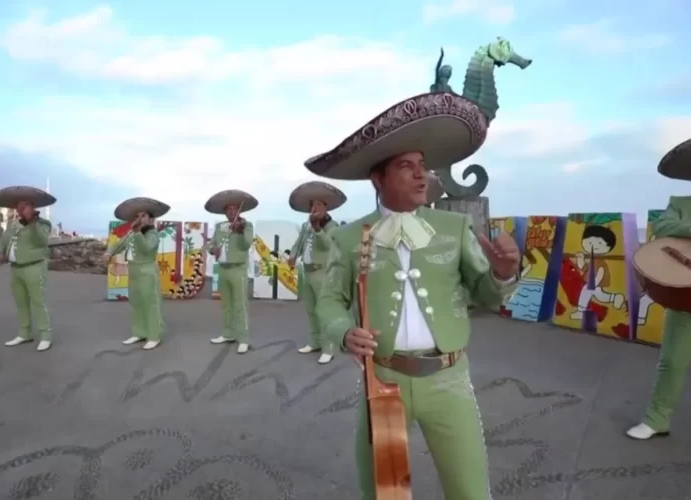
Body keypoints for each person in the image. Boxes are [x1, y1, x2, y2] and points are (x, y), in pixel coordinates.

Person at [308, 98, 521, 498]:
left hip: (449, 381)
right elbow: (331, 299)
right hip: (383, 380)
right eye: (407, 166)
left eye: (423, 165)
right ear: (378, 179)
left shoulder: (455, 228)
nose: (422, 175)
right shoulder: (350, 236)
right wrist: (342, 331)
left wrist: (503, 273)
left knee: (470, 491)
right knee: (385, 490)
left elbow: (487, 295)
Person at [627, 137, 691, 440]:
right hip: (686, 298)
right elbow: (663, 227)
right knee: (672, 361)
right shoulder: (680, 204)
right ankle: (657, 420)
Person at [287, 181, 346, 364]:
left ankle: (329, 347)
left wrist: (318, 229)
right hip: (306, 271)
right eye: (313, 204)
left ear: (326, 207)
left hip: (322, 272)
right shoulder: (306, 226)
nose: (315, 207)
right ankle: (315, 342)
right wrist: (292, 255)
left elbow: (330, 245)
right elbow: (300, 242)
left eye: (319, 204)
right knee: (310, 309)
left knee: (323, 311)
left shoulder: (331, 224)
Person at [0, 186, 56, 352]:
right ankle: (24, 333)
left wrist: (32, 222)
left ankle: (46, 335)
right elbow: (3, 242)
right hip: (15, 268)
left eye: (25, 205)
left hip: (34, 267)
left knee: (38, 302)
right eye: (19, 206)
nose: (21, 208)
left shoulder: (43, 224)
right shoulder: (13, 224)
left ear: (33, 206)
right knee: (21, 302)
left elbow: (41, 241)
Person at [105, 197, 169, 350]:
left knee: (151, 304)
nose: (139, 219)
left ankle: (154, 335)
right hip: (133, 272)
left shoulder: (153, 234)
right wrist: (109, 253)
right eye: (137, 216)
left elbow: (146, 248)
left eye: (143, 216)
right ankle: (139, 332)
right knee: (136, 303)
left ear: (151, 219)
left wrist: (137, 232)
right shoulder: (131, 233)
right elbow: (118, 244)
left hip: (147, 271)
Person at [205, 189, 258, 354]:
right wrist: (213, 249)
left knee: (240, 305)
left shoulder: (246, 225)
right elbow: (211, 244)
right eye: (228, 209)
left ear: (239, 210)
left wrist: (240, 231)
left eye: (235, 209)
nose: (232, 212)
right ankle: (228, 333)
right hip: (223, 269)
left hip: (238, 269)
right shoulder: (220, 226)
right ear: (224, 211)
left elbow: (247, 243)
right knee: (226, 305)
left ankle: (243, 338)